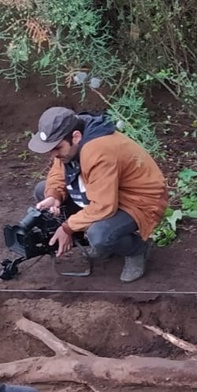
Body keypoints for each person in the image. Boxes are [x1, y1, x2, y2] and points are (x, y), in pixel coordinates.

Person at [28, 106, 168, 283]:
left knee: (99, 235)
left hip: (140, 201)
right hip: (107, 190)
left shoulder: (99, 151)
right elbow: (59, 170)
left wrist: (67, 227)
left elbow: (104, 207)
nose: (54, 154)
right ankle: (100, 240)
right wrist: (54, 195)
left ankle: (137, 249)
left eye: (57, 148)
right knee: (43, 190)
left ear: (76, 137)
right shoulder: (70, 136)